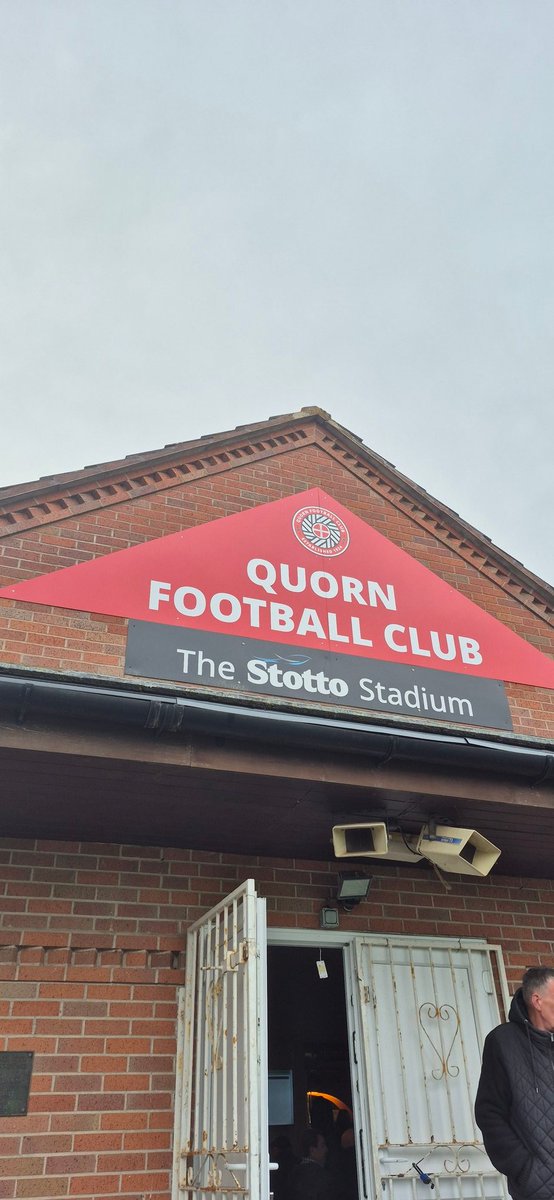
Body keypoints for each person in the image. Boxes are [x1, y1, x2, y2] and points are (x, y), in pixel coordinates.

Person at [475, 965, 554, 1200]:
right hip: (537, 1188)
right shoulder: (503, 1042)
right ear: (537, 1001)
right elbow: (489, 1112)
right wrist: (525, 1169)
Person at [290, 1128, 337, 1200]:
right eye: (322, 1145)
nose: (326, 1149)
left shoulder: (293, 1174)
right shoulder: (321, 1177)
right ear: (312, 1150)